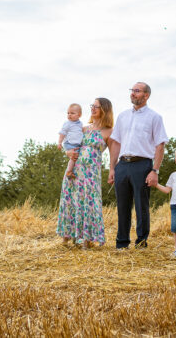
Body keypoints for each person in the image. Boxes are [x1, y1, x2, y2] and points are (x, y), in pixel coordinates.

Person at [108, 82, 168, 249]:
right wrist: (112, 168)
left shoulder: (154, 117)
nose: (133, 94)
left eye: (137, 91)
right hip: (122, 165)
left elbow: (160, 145)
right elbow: (116, 143)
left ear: (146, 95)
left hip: (142, 165)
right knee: (122, 206)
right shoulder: (123, 116)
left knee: (141, 206)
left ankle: (141, 243)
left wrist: (154, 170)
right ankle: (122, 243)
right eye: (132, 91)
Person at [56, 98, 114, 247]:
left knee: (89, 202)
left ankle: (87, 240)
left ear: (105, 110)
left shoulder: (109, 131)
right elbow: (69, 143)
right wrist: (67, 152)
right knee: (70, 201)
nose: (93, 109)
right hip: (75, 171)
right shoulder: (83, 128)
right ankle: (67, 238)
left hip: (91, 173)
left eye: (97, 107)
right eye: (92, 106)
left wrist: (112, 170)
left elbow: (114, 154)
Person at [58, 103, 84, 179]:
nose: (69, 115)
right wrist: (59, 142)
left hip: (76, 143)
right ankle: (69, 171)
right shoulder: (67, 123)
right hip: (69, 143)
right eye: (68, 113)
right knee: (74, 157)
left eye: (72, 113)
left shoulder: (80, 124)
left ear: (79, 115)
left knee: (76, 157)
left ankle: (73, 170)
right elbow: (62, 133)